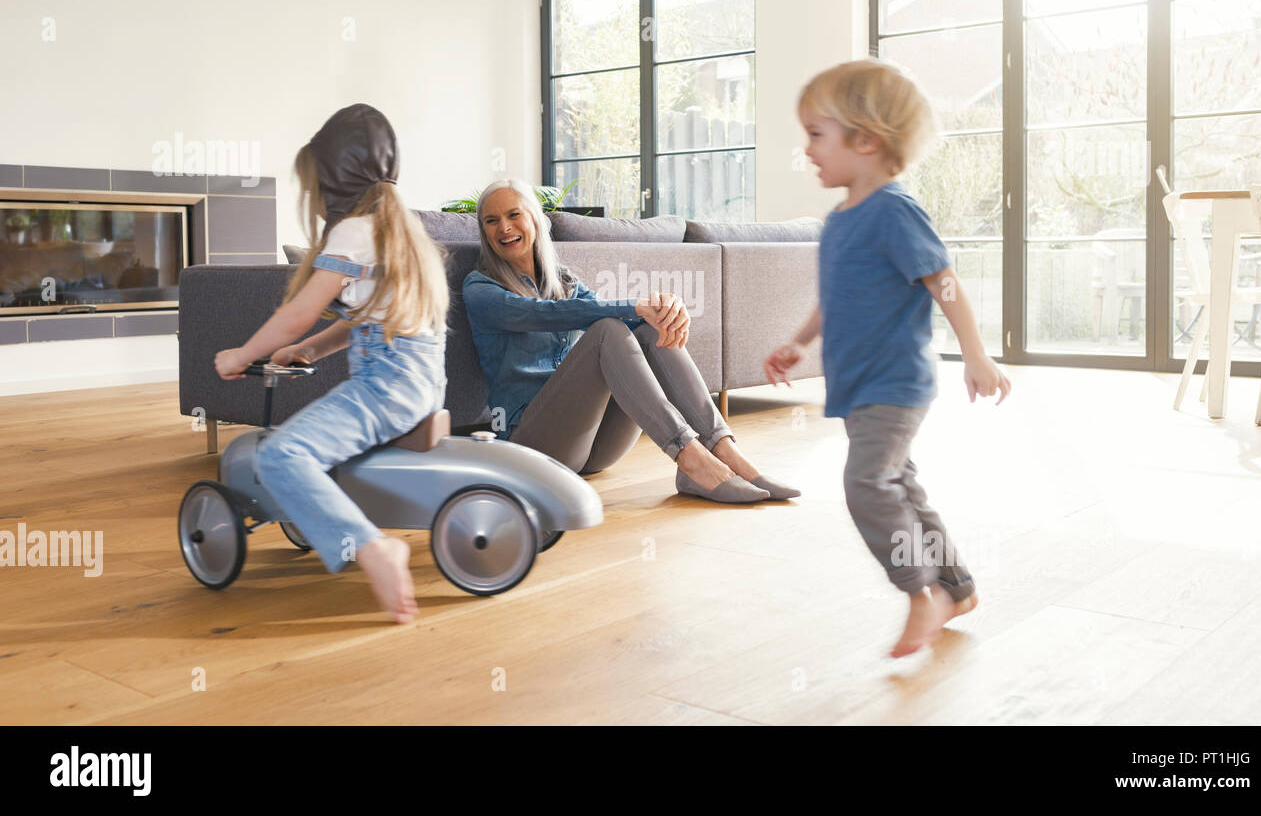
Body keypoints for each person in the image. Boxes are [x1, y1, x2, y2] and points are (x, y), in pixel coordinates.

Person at [765, 58, 1011, 658]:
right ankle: (957, 587)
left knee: (867, 483)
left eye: (817, 135)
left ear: (866, 140)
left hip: (896, 383)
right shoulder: (840, 221)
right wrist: (800, 340)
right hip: (858, 384)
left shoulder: (895, 211)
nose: (807, 149)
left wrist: (976, 355)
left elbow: (944, 282)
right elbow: (837, 296)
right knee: (900, 483)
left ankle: (920, 594)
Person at [214, 104, 449, 624]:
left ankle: (370, 547)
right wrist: (314, 350)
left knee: (280, 456)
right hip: (421, 383)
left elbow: (296, 313)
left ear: (335, 182)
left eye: (315, 186)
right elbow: (376, 317)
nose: (315, 201)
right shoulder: (400, 231)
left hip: (386, 385)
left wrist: (241, 354)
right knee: (314, 437)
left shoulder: (354, 233)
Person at [462, 177, 799, 504]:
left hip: (594, 448)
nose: (503, 227)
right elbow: (549, 313)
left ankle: (724, 449)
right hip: (534, 448)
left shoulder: (564, 280)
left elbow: (604, 310)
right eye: (492, 221)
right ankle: (690, 458)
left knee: (647, 329)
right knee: (607, 330)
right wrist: (638, 306)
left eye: (513, 214)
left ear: (535, 218)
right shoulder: (481, 289)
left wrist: (669, 309)